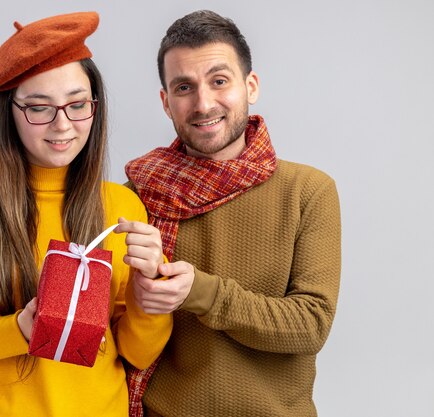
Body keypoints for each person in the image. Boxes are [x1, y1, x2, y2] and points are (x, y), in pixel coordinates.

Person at [0, 12, 172, 417]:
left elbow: (137, 353)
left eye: (78, 105)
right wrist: (17, 330)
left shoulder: (122, 209)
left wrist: (150, 295)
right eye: (40, 108)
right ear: (9, 111)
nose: (63, 125)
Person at [122, 10, 342, 417]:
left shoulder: (307, 191)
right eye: (184, 87)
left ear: (250, 86)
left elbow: (311, 325)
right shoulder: (136, 195)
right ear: (166, 102)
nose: (203, 103)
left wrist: (198, 293)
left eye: (219, 81)